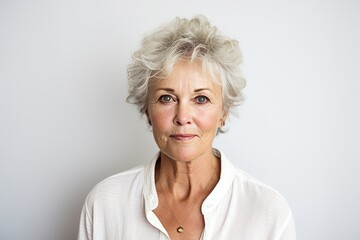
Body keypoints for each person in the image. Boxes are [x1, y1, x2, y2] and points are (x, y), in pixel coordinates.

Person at [77, 16, 296, 240]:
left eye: (201, 99)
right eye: (166, 98)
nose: (182, 117)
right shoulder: (105, 203)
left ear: (224, 112)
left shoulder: (268, 212)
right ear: (147, 110)